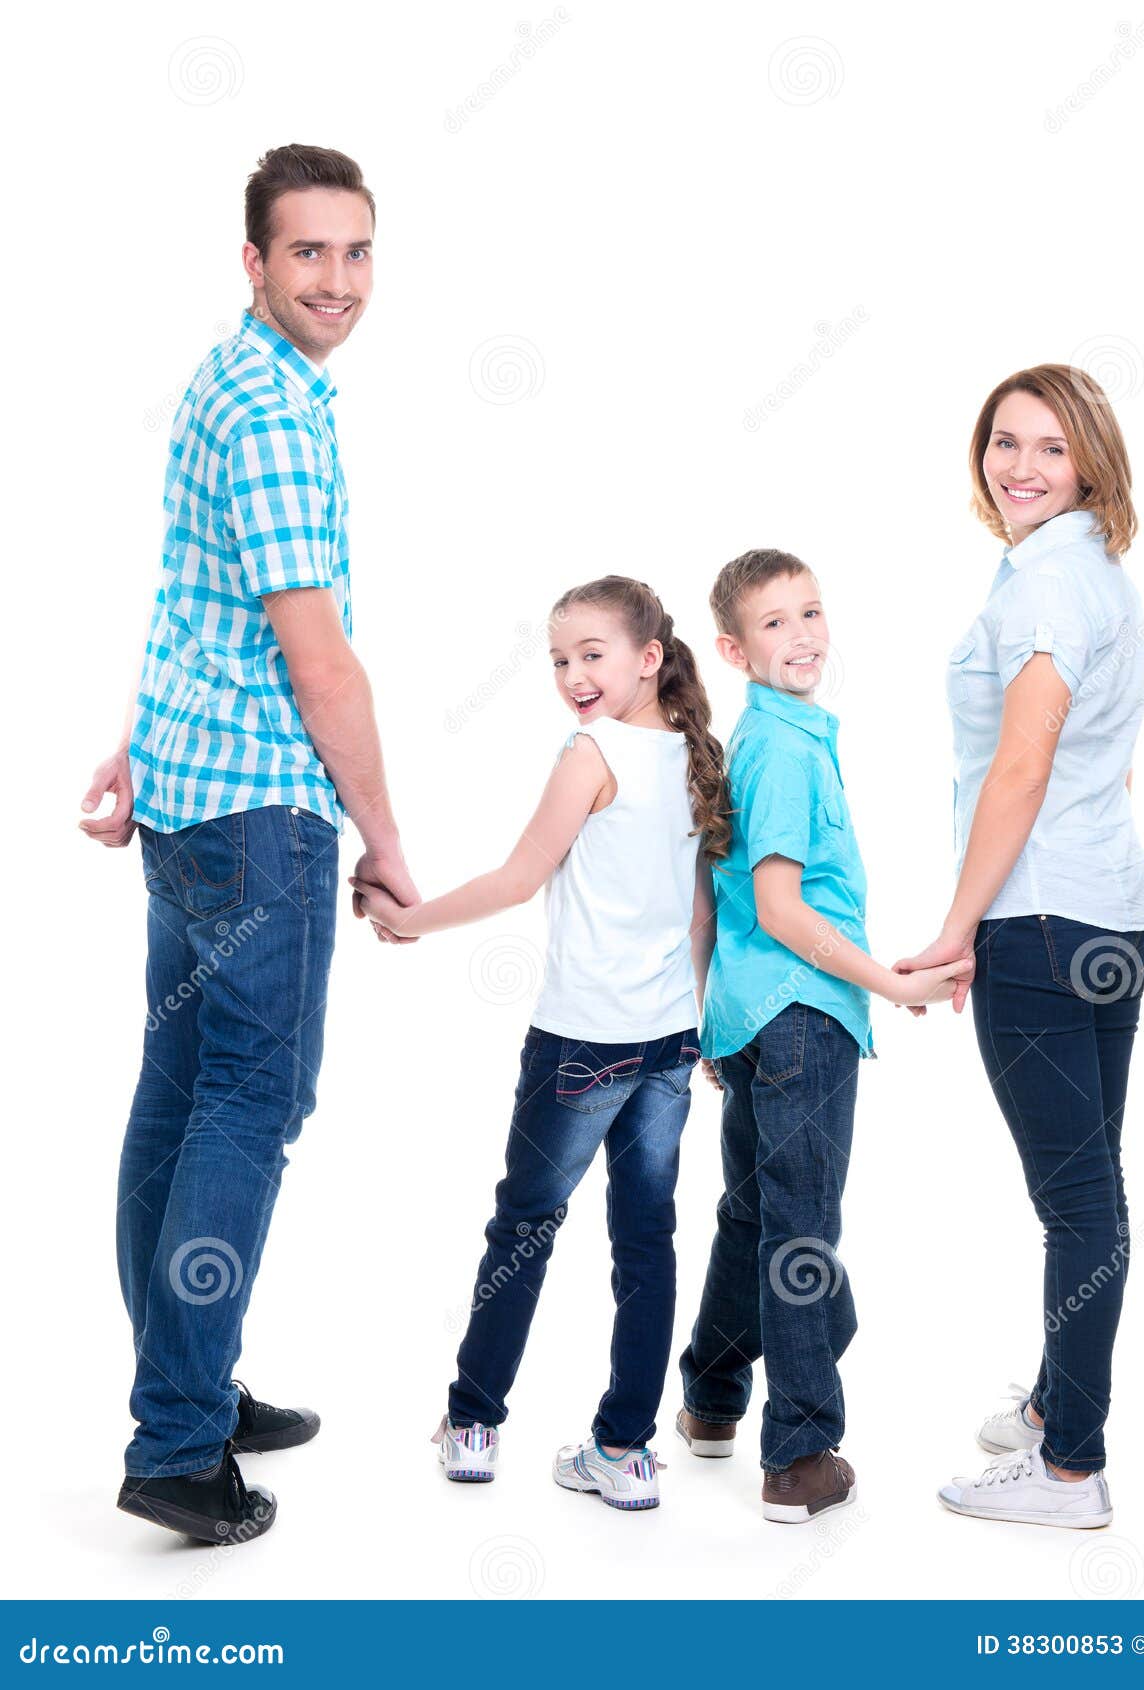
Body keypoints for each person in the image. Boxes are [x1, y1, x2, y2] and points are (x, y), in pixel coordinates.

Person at [81, 144, 418, 1546]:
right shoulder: (275, 413)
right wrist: (385, 834)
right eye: (307, 255)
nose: (335, 281)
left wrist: (136, 740)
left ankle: (189, 1388)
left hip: (186, 791)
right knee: (244, 1109)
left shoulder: (233, 380)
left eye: (354, 253)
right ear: (254, 262)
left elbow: (188, 594)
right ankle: (176, 1433)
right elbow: (316, 657)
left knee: (179, 1096)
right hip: (259, 814)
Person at [353, 576, 726, 1512]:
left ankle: (473, 1423)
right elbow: (698, 914)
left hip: (581, 1042)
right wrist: (699, 1021)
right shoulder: (689, 755)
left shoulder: (590, 751)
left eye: (591, 654)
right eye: (559, 660)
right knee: (647, 1241)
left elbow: (523, 878)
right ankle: (626, 1448)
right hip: (665, 1042)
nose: (572, 675)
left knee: (523, 1227)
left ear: (648, 658)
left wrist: (417, 919)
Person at [896, 365, 1144, 1529]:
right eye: (1003, 442)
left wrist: (957, 930)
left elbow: (1022, 765)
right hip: (1110, 912)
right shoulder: (1090, 574)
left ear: (1089, 464)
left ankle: (1068, 1470)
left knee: (1077, 1206)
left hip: (1041, 923)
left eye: (1049, 449)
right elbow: (1096, 761)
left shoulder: (1042, 595)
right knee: (1092, 1185)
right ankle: (1057, 1407)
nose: (1018, 466)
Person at [674, 549, 969, 1524]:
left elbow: (715, 906)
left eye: (808, 612)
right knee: (800, 1234)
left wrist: (716, 1017)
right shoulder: (787, 751)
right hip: (802, 1017)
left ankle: (713, 1400)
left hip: (754, 1016)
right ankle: (799, 1456)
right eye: (772, 622)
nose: (799, 635)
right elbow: (780, 905)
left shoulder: (765, 737)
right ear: (731, 645)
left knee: (756, 1219)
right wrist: (889, 982)